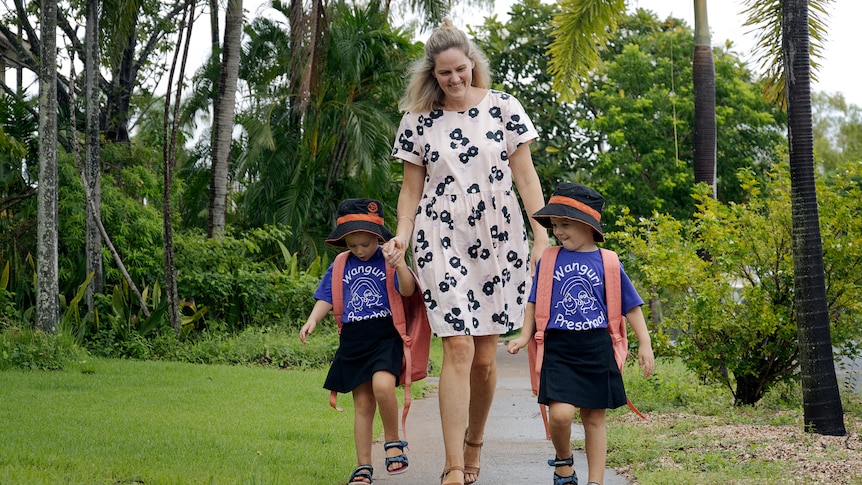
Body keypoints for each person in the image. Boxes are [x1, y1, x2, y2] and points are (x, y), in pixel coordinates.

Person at [383, 19, 550, 485]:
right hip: (441, 236)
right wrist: (403, 234)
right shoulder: (418, 119)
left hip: (499, 239)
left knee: (483, 357)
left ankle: (475, 439)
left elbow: (527, 178)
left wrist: (542, 233)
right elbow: (410, 189)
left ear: (473, 62)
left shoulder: (504, 107)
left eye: (461, 69)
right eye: (444, 74)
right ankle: (454, 464)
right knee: (457, 346)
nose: (454, 80)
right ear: (431, 75)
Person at [506, 182, 655, 485]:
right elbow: (534, 300)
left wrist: (645, 343)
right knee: (560, 415)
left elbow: (631, 306)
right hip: (560, 348)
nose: (558, 231)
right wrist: (524, 335)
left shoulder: (608, 261)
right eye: (555, 225)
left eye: (564, 224)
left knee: (594, 418)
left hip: (596, 347)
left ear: (587, 226)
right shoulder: (549, 258)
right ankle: (563, 460)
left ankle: (595, 481)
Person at [300, 198, 416, 485]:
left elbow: (409, 290)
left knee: (383, 385)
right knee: (363, 405)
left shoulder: (389, 259)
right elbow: (327, 295)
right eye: (353, 245)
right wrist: (312, 319)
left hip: (384, 335)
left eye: (365, 244)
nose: (360, 250)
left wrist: (399, 264)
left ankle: (393, 443)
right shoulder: (341, 264)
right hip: (353, 339)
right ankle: (363, 467)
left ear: (378, 237)